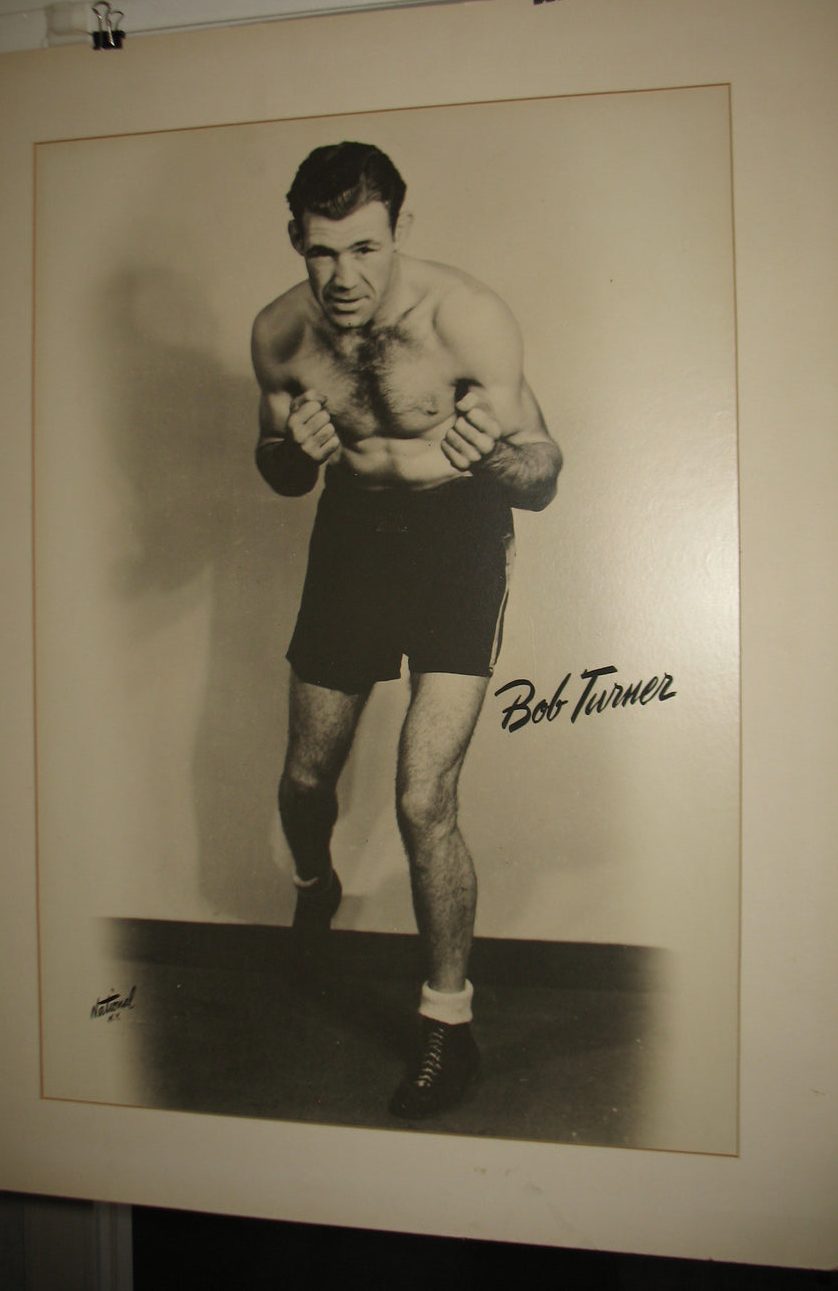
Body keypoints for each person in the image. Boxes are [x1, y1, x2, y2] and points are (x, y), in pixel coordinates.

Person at [251, 142, 562, 1120]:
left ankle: (447, 1028)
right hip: (351, 535)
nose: (344, 276)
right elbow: (277, 465)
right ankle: (312, 878)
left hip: (458, 535)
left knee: (422, 796)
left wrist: (493, 461)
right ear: (296, 240)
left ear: (401, 231)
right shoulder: (278, 335)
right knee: (308, 776)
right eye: (322, 252)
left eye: (365, 247)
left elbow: (545, 471)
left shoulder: (464, 316)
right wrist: (290, 454)